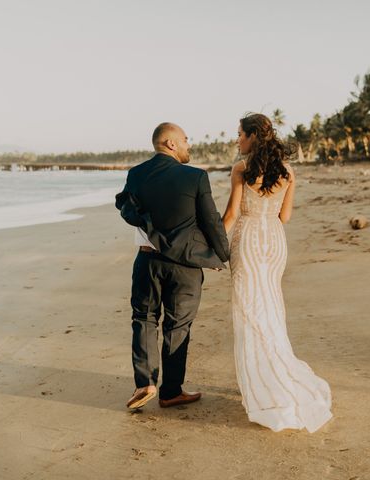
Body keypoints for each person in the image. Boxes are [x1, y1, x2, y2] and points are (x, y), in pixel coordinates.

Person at [222, 113, 332, 432]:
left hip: (249, 241)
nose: (237, 140)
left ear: (254, 136)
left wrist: (211, 246)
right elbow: (285, 216)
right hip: (274, 241)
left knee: (249, 313)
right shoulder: (287, 171)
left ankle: (264, 384)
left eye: (240, 134)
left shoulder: (241, 170)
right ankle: (277, 375)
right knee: (269, 309)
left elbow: (230, 214)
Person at [116, 122, 229, 410]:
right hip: (185, 266)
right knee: (177, 325)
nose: (189, 145)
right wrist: (222, 254)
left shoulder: (136, 174)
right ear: (170, 143)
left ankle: (145, 383)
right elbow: (211, 221)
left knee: (144, 318)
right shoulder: (195, 177)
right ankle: (171, 391)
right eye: (186, 140)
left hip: (147, 260)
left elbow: (131, 210)